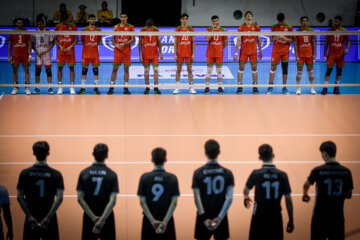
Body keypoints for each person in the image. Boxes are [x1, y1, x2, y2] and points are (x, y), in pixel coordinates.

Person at [303, 141, 353, 240]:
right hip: (337, 218)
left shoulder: (318, 170)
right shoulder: (346, 172)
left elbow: (306, 184)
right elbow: (348, 195)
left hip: (319, 217)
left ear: (325, 154)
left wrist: (305, 194)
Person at [243, 144, 294, 240]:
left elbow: (246, 190)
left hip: (259, 215)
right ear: (273, 155)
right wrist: (291, 219)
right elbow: (288, 200)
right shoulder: (282, 175)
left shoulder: (256, 174)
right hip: (275, 216)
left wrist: (246, 197)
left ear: (259, 157)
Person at [17, 141, 64, 240]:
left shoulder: (25, 173)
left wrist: (29, 216)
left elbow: (19, 197)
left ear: (34, 153)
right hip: (49, 216)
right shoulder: (56, 174)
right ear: (48, 153)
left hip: (32, 215)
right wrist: (48, 217)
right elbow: (59, 198)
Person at [192, 139, 234, 240]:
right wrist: (220, 218)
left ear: (205, 152)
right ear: (219, 152)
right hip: (221, 216)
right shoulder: (227, 173)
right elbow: (229, 199)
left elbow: (197, 199)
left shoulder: (198, 173)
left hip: (203, 216)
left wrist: (204, 218)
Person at [77, 143, 119, 240]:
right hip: (107, 216)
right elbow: (112, 201)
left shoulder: (84, 173)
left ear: (93, 154)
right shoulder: (112, 174)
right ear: (107, 156)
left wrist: (93, 218)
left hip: (89, 216)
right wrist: (102, 220)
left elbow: (80, 199)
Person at [137, 148, 179, 240]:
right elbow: (174, 203)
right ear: (165, 160)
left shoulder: (144, 178)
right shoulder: (172, 178)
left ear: (151, 160)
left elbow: (142, 203)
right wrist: (164, 222)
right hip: (167, 221)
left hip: (149, 221)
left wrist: (152, 222)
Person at [234, 11, 262, 94]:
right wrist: (236, 53)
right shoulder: (242, 27)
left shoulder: (256, 27)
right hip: (244, 52)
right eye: (247, 15)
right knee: (241, 68)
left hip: (253, 51)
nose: (249, 16)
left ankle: (255, 85)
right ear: (245, 17)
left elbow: (259, 39)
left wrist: (260, 51)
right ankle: (239, 86)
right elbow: (239, 40)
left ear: (252, 17)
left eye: (250, 15)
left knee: (254, 68)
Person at [322, 16, 350, 95]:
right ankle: (325, 87)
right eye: (335, 21)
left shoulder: (345, 31)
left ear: (340, 22)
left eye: (337, 21)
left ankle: (336, 87)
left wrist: (347, 49)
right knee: (328, 71)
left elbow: (348, 41)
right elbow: (326, 43)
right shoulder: (330, 31)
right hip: (331, 55)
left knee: (339, 71)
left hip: (340, 55)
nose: (335, 23)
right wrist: (324, 53)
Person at [108, 13, 135, 95]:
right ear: (120, 18)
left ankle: (126, 87)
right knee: (114, 69)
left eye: (124, 17)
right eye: (122, 17)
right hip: (118, 51)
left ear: (127, 18)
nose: (123, 18)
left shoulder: (131, 27)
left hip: (126, 51)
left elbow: (132, 40)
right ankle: (111, 86)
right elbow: (113, 39)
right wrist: (116, 45)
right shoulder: (116, 27)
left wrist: (124, 44)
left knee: (126, 69)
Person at [267, 13, 293, 95]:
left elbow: (292, 40)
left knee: (285, 69)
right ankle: (270, 87)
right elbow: (271, 40)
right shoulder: (274, 27)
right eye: (279, 22)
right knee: (273, 69)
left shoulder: (289, 27)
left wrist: (285, 39)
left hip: (285, 51)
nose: (280, 23)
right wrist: (276, 38)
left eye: (282, 21)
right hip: (276, 51)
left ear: (284, 20)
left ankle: (284, 88)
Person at [55, 12, 78, 95]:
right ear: (61, 20)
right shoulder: (57, 27)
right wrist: (60, 46)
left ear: (68, 19)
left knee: (71, 68)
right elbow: (55, 39)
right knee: (60, 68)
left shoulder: (73, 26)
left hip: (70, 50)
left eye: (66, 20)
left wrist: (70, 46)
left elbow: (76, 40)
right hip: (61, 51)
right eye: (63, 21)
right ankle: (60, 87)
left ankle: (72, 86)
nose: (65, 22)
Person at [78, 14, 102, 95]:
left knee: (96, 71)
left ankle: (96, 88)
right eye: (91, 19)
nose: (93, 21)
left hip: (95, 53)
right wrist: (89, 46)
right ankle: (83, 88)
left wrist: (93, 45)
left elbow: (99, 41)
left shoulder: (98, 30)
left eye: (94, 19)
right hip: (86, 53)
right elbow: (83, 40)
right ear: (88, 20)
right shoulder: (84, 30)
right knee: (84, 71)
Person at [173, 13, 196, 95]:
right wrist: (175, 54)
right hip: (179, 53)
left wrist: (193, 54)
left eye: (186, 19)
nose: (184, 20)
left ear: (187, 20)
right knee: (178, 70)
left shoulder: (191, 29)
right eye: (183, 19)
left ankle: (191, 87)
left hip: (188, 53)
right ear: (180, 20)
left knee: (189, 70)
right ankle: (177, 87)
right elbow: (175, 42)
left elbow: (193, 42)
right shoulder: (177, 29)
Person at [31, 14, 55, 95]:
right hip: (38, 54)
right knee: (38, 71)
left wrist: (46, 51)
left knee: (48, 71)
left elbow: (52, 44)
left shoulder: (49, 32)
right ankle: (37, 87)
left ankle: (50, 87)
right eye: (38, 24)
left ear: (44, 23)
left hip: (46, 54)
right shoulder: (34, 32)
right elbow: (31, 44)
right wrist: (36, 52)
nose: (39, 25)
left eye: (41, 24)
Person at [139, 18, 163, 94]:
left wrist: (161, 53)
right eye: (148, 27)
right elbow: (140, 43)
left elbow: (159, 42)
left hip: (155, 54)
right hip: (145, 54)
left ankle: (156, 87)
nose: (149, 28)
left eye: (150, 27)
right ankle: (147, 87)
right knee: (146, 71)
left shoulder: (156, 30)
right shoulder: (142, 30)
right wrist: (140, 54)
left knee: (156, 70)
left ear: (152, 26)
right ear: (146, 26)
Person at [8, 18, 32, 95]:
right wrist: (9, 57)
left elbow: (29, 44)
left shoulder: (26, 32)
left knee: (27, 71)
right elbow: (10, 45)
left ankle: (27, 88)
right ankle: (16, 88)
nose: (20, 24)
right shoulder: (12, 32)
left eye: (21, 23)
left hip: (25, 55)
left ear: (23, 24)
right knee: (15, 71)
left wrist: (30, 56)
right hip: (15, 55)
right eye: (18, 23)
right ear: (16, 24)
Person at [205, 15, 227, 95]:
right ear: (212, 22)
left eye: (217, 21)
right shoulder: (208, 29)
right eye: (214, 21)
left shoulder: (223, 30)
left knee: (219, 71)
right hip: (210, 54)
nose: (215, 22)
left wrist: (220, 48)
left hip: (219, 54)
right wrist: (212, 31)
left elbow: (225, 42)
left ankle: (220, 87)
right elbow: (207, 39)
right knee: (209, 71)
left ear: (219, 21)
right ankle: (207, 87)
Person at [294, 16, 316, 95]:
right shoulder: (297, 32)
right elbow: (295, 44)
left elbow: (313, 43)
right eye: (303, 21)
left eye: (306, 21)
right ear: (300, 22)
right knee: (299, 72)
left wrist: (314, 54)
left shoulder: (311, 31)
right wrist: (296, 56)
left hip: (309, 55)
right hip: (301, 56)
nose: (305, 22)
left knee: (311, 72)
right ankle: (298, 89)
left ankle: (312, 88)